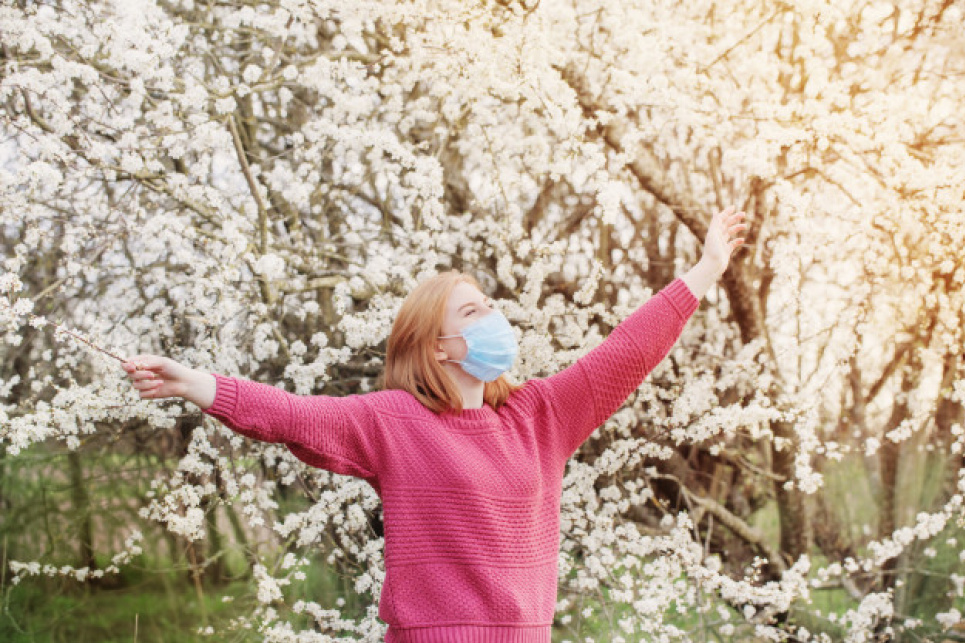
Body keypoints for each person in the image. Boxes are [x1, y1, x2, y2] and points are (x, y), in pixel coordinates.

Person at [123, 206, 747, 642]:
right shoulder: (396, 421)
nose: (495, 319)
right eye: (474, 312)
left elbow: (627, 352)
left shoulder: (540, 417)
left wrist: (707, 268)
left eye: (492, 306)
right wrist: (195, 383)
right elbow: (292, 417)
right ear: (439, 346)